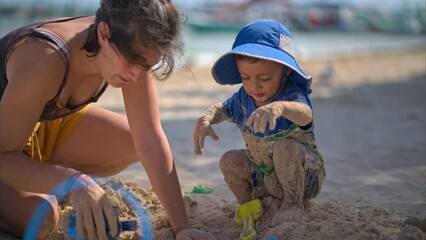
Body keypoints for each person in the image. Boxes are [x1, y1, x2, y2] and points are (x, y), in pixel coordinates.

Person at [0, 0, 216, 239]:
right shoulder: (45, 58)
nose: (138, 75)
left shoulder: (134, 48)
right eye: (133, 62)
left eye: (148, 65)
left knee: (133, 142)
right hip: (5, 145)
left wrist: (182, 227)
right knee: (41, 218)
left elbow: (150, 141)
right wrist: (72, 181)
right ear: (103, 33)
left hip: (38, 125)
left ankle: (42, 179)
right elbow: (3, 156)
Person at [193, 19, 326, 225]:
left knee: (284, 147)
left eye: (264, 78)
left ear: (286, 70)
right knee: (229, 159)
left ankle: (292, 203)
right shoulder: (243, 99)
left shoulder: (291, 94)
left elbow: (306, 115)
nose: (254, 86)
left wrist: (281, 107)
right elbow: (223, 110)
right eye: (245, 77)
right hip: (264, 177)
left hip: (303, 175)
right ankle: (249, 204)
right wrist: (208, 117)